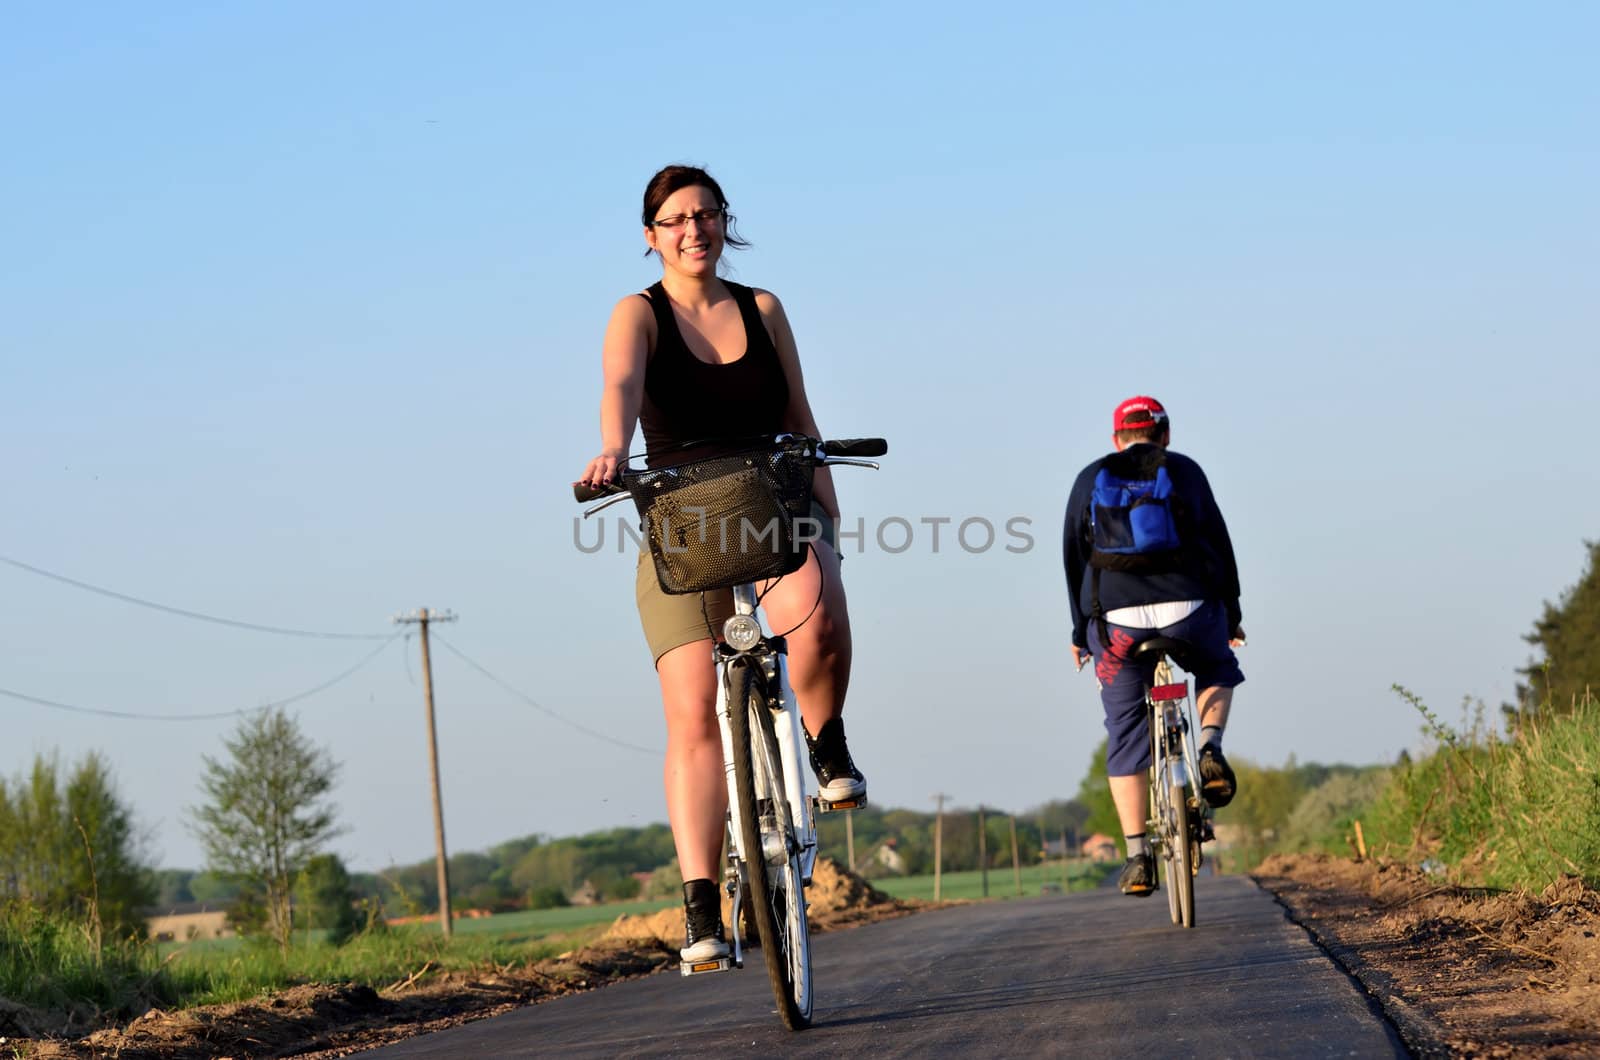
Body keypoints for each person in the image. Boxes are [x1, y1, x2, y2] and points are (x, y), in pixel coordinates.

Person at [575, 165, 866, 962]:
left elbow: (798, 413)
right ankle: (702, 904)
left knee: (818, 613)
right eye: (675, 219)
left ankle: (826, 743)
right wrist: (611, 447)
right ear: (651, 235)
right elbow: (620, 385)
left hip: (774, 495)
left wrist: (827, 502)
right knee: (691, 705)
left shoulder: (762, 308)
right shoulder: (638, 314)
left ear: (723, 223)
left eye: (706, 215)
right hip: (683, 516)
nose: (693, 229)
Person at [1062, 396, 1245, 897]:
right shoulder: (1185, 471)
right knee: (1216, 667)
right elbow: (1218, 542)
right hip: (1190, 610)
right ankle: (1209, 746)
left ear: (1116, 438)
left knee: (1123, 731)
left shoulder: (1091, 477)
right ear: (1164, 434)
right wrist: (1232, 612)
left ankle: (1137, 854)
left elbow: (1075, 558)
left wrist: (1082, 632)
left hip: (1118, 622)